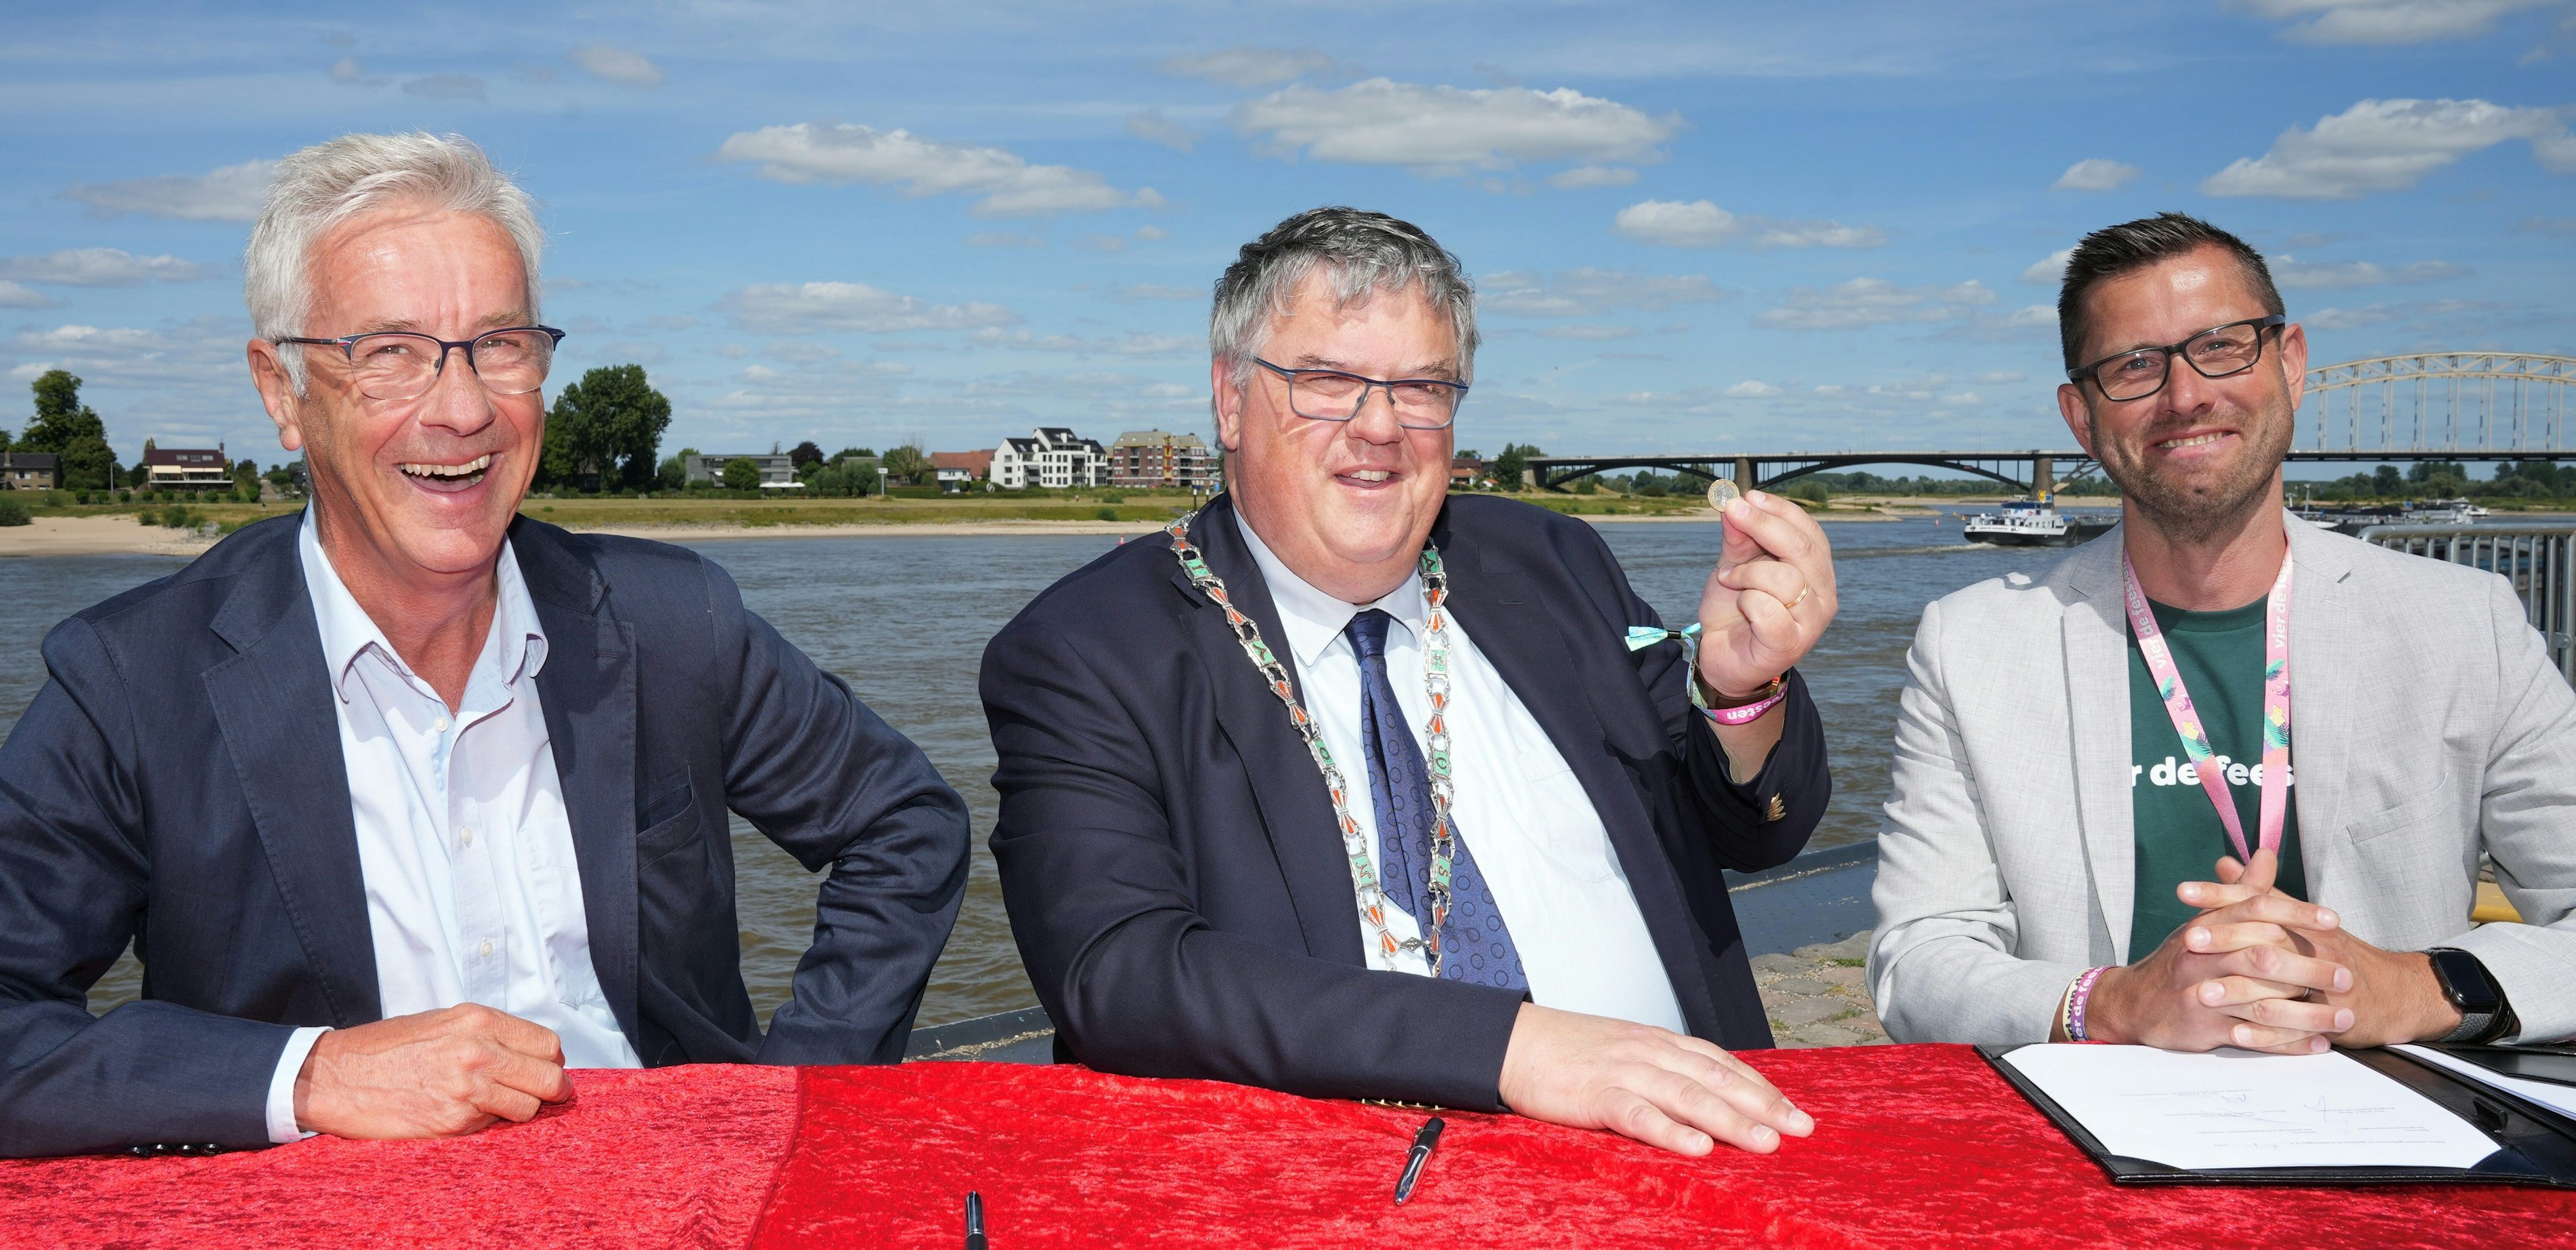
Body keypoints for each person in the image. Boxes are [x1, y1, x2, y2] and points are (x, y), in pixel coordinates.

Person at [0, 132, 970, 1159]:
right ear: (281, 392)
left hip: (672, 1201)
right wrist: (311, 1075)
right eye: (390, 353)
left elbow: (905, 826)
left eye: (499, 344)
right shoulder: (133, 681)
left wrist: (786, 1105)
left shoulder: (676, 620)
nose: (462, 410)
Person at [982, 207, 1838, 1157]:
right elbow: (1120, 974)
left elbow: (1754, 836)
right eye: (1328, 381)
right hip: (1342, 1192)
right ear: (1230, 399)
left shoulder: (1553, 563)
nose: (1380, 427)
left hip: (1697, 1152)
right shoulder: (1087, 650)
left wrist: (1740, 693)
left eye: (1423, 387)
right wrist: (1511, 1045)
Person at [1870, 211, 2576, 1051]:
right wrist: (2112, 1003)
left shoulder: (2464, 623)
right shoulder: (1972, 643)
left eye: (2221, 346)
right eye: (2132, 365)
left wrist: (2411, 985)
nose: (2184, 395)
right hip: (2095, 1145)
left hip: (2398, 1127)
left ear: (2290, 363)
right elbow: (1916, 959)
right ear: (2078, 416)